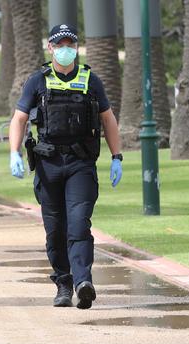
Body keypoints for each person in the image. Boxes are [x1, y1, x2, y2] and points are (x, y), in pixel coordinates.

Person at [8, 24, 123, 310]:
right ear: (50, 47)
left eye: (70, 43)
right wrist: (14, 153)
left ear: (77, 46)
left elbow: (108, 119)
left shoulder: (90, 80)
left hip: (80, 164)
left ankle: (83, 281)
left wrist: (116, 156)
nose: (65, 48)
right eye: (60, 44)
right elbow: (19, 118)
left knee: (79, 222)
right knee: (55, 229)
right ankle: (63, 282)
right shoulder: (38, 80)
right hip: (48, 165)